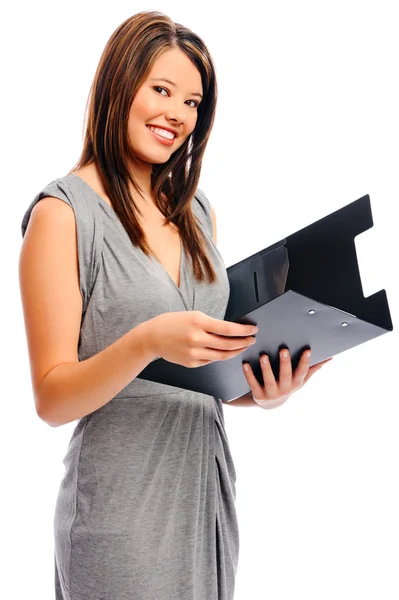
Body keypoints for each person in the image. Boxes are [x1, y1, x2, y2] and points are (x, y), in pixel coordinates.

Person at [19, 10, 331, 600]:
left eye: (192, 102)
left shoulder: (197, 212)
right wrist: (146, 341)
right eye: (161, 90)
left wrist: (265, 388)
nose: (176, 115)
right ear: (118, 85)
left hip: (204, 492)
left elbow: (201, 373)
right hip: (121, 507)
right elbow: (51, 399)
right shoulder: (62, 215)